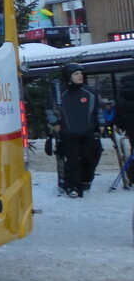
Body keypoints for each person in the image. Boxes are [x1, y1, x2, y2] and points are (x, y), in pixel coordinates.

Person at [47, 64, 105, 197]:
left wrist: (101, 123)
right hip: (68, 133)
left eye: (81, 73)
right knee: (72, 161)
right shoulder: (60, 93)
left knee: (88, 158)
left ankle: (85, 181)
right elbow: (49, 109)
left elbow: (98, 110)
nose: (80, 76)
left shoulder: (89, 92)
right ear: (69, 77)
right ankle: (72, 186)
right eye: (76, 74)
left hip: (87, 132)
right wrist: (55, 123)